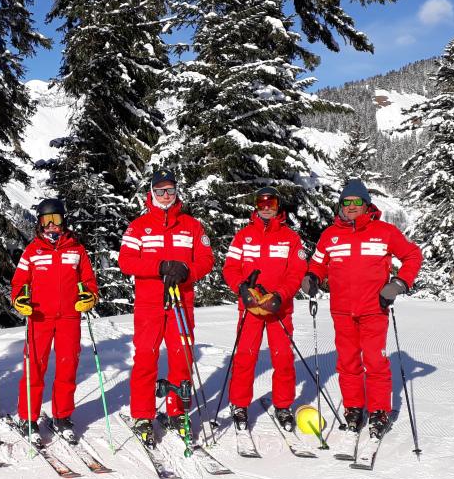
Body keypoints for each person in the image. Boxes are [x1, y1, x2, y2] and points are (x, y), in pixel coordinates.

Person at [302, 180, 423, 436]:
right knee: (347, 362)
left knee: (375, 361)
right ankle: (354, 408)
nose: (352, 206)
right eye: (347, 202)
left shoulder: (385, 232)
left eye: (358, 201)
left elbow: (412, 255)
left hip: (374, 308)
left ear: (367, 204)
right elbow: (318, 264)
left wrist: (399, 283)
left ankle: (379, 411)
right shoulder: (329, 235)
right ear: (341, 205)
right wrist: (312, 277)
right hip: (341, 310)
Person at [118, 169, 215, 444]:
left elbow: (207, 258)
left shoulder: (192, 225)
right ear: (151, 192)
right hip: (150, 304)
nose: (165, 195)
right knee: (146, 359)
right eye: (160, 190)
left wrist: (187, 270)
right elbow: (126, 261)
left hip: (181, 304)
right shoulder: (138, 226)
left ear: (176, 192)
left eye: (170, 190)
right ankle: (142, 415)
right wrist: (159, 266)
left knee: (181, 358)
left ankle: (178, 412)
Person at [10, 198, 98, 444]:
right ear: (39, 223)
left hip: (70, 316)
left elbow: (90, 282)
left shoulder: (77, 250)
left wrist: (89, 296)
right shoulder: (32, 251)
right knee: (34, 368)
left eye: (56, 220)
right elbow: (19, 283)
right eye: (46, 221)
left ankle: (62, 416)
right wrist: (19, 299)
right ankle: (28, 418)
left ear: (63, 221)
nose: (51, 226)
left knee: (67, 368)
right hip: (39, 317)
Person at [222, 187, 308, 431]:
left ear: (279, 206)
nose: (267, 207)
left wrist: (280, 295)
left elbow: (297, 271)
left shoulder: (291, 238)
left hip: (278, 308)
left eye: (272, 202)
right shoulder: (243, 236)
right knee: (245, 357)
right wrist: (241, 288)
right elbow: (230, 268)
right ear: (256, 206)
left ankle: (283, 405)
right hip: (250, 306)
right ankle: (239, 404)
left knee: (282, 358)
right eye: (262, 203)